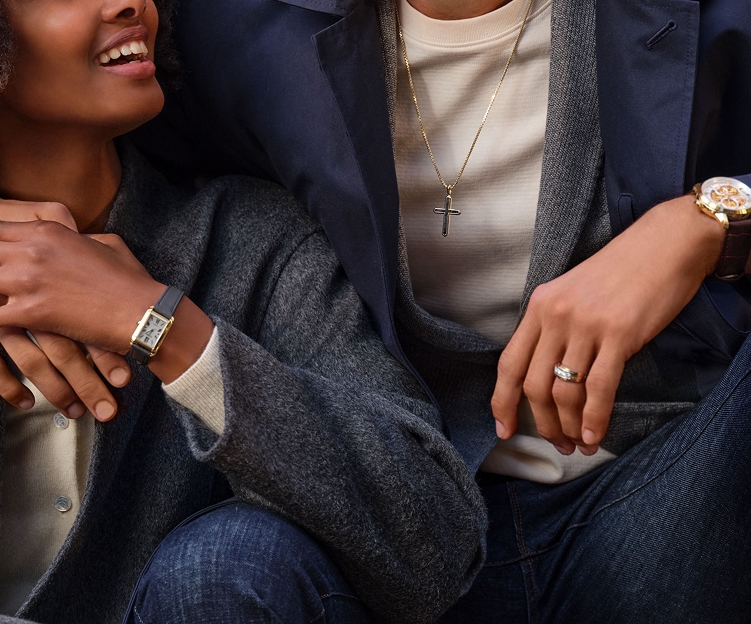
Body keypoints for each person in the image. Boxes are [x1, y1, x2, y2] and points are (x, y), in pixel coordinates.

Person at [125, 0, 751, 620]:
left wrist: (708, 221)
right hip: (393, 519)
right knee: (215, 568)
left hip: (670, 489)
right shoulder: (242, 32)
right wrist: (22, 235)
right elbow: (97, 138)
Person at [0, 0, 487, 622]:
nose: (131, 3)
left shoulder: (252, 243)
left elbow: (436, 538)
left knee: (229, 558)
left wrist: (165, 328)